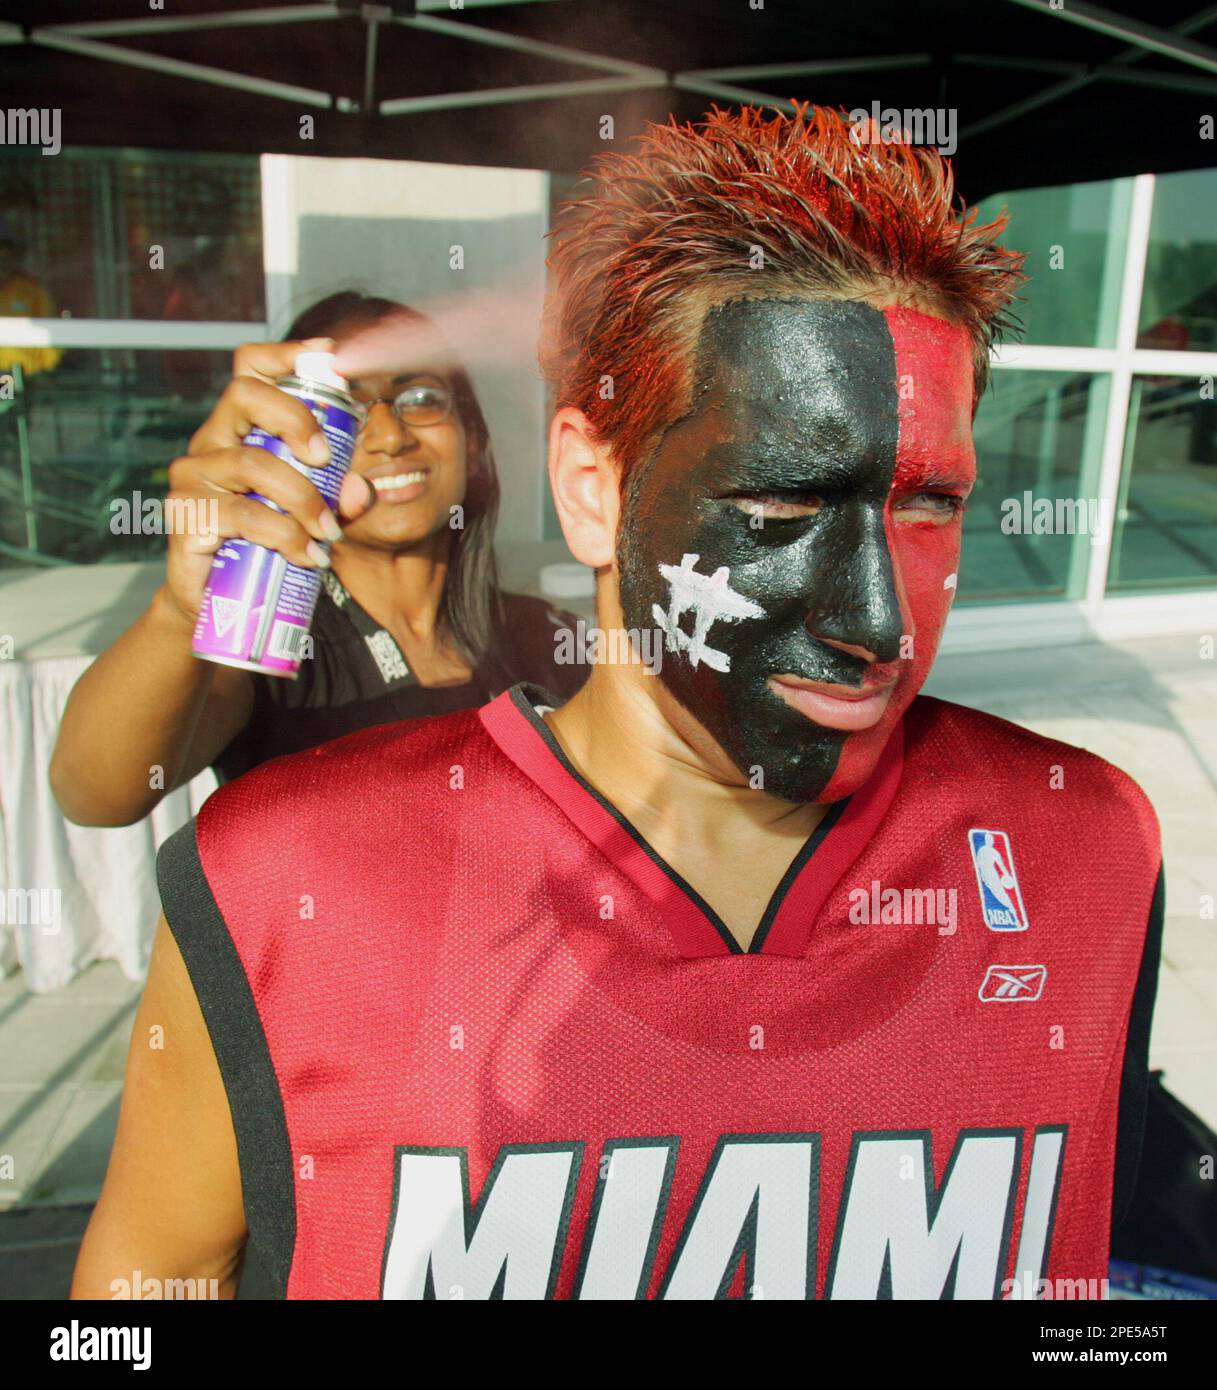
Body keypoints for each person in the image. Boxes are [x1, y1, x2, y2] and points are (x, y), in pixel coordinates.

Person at [73, 105, 1164, 1301]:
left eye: (925, 505)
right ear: (591, 489)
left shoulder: (1084, 847)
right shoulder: (273, 860)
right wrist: (191, 611)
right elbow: (138, 1293)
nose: (879, 621)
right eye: (782, 508)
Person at [50, 292, 586, 827]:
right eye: (348, 410)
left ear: (471, 441)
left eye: (421, 398)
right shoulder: (267, 647)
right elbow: (95, 796)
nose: (391, 437)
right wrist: (182, 609)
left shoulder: (543, 633)